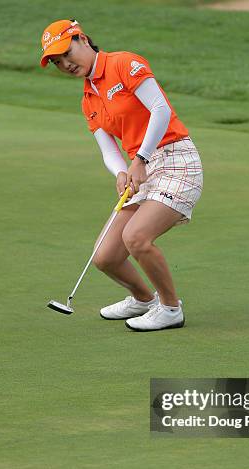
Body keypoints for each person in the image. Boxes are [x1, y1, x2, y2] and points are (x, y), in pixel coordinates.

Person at [39, 19, 203, 331]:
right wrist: (121, 172)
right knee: (105, 256)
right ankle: (144, 299)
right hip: (140, 169)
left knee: (136, 237)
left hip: (175, 159)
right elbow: (108, 149)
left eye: (66, 52)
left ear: (82, 39)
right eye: (57, 61)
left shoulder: (124, 64)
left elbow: (160, 110)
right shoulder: (88, 99)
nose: (65, 63)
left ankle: (170, 308)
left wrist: (139, 159)